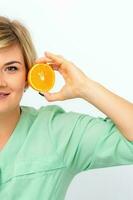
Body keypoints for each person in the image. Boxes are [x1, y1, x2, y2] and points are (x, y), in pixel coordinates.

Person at [0, 16, 133, 200]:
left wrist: (86, 87)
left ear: (28, 77)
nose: (0, 82)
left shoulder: (57, 133)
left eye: (11, 68)